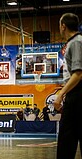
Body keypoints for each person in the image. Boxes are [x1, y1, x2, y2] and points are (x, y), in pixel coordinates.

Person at [54, 13, 82, 159]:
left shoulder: (76, 42)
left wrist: (60, 94)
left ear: (63, 26)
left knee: (67, 138)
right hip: (75, 94)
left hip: (77, 95)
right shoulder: (74, 42)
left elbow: (78, 74)